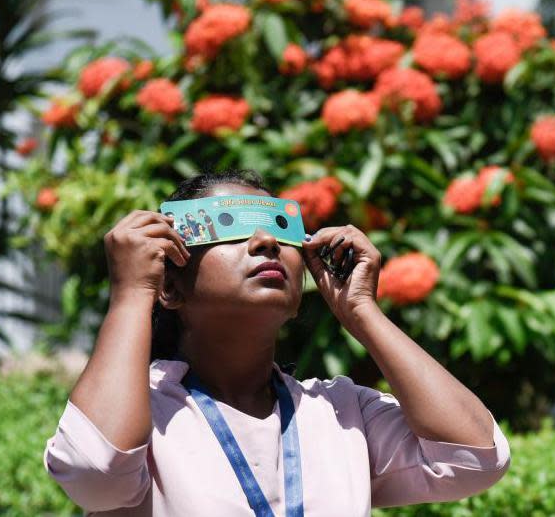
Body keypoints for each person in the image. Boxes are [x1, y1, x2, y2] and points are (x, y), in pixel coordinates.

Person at [42, 170, 510, 516]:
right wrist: (130, 295)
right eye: (232, 228)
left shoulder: (342, 413)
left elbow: (477, 458)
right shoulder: (139, 414)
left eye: (279, 230)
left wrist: (363, 312)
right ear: (171, 287)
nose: (265, 241)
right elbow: (94, 473)